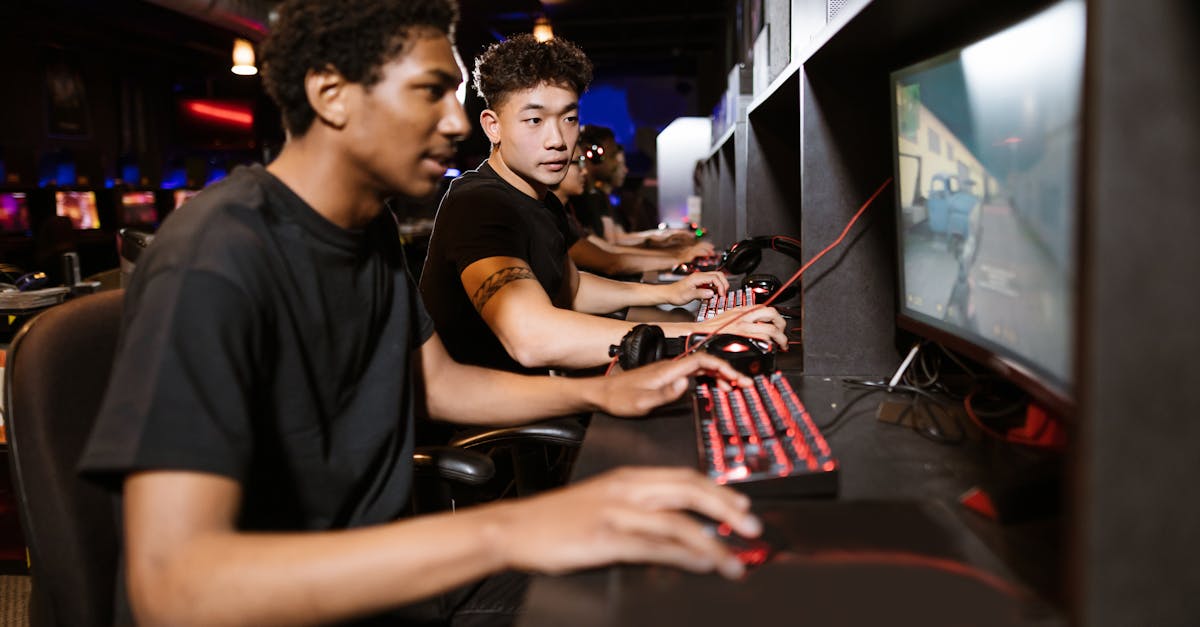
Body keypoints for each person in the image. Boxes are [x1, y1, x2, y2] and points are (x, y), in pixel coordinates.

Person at [78, 2, 764, 625]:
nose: (459, 122)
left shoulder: (363, 226)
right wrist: (513, 528)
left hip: (392, 577)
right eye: (431, 92)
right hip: (316, 602)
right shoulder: (216, 258)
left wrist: (600, 387)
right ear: (330, 94)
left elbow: (438, 383)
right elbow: (174, 586)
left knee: (666, 577)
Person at [420, 35, 786, 374]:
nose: (557, 140)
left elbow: (573, 289)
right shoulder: (480, 204)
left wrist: (670, 292)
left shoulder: (539, 199)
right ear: (492, 126)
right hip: (489, 431)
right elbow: (531, 338)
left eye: (569, 119)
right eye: (534, 120)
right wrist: (697, 333)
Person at [553, 142, 715, 277]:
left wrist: (673, 250)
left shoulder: (564, 214)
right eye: (579, 162)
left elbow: (608, 248)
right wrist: (678, 256)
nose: (586, 170)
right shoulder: (552, 215)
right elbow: (610, 260)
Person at [578, 125, 696, 248]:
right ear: (594, 155)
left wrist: (663, 236)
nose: (619, 167)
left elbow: (615, 241)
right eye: (612, 156)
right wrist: (662, 241)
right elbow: (612, 246)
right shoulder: (586, 200)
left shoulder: (597, 197)